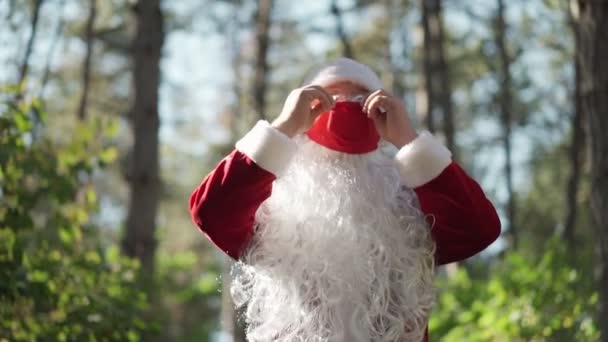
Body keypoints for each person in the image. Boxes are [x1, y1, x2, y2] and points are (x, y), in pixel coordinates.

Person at [189, 58, 501, 341]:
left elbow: (478, 229)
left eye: (362, 98)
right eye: (327, 98)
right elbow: (211, 210)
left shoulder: (409, 200)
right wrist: (283, 126)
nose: (345, 106)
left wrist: (407, 138)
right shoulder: (272, 199)